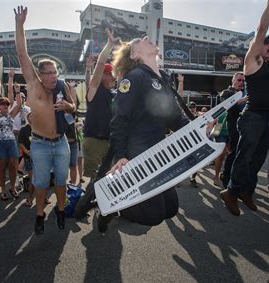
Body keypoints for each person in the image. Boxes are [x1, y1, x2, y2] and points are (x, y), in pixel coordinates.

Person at [101, 35, 190, 233]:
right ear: (135, 54)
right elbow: (119, 120)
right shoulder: (134, 77)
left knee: (171, 210)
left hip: (158, 154)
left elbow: (174, 117)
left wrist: (198, 128)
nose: (147, 38)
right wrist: (122, 155)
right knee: (153, 217)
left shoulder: (164, 78)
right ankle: (117, 206)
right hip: (137, 155)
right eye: (139, 40)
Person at [221, 0, 269, 216]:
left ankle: (247, 191)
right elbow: (262, 28)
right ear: (257, 45)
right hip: (252, 116)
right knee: (245, 156)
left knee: (257, 158)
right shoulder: (252, 60)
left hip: (264, 117)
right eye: (266, 43)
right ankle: (231, 192)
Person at [15, 6, 75, 235]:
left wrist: (70, 106)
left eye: (55, 72)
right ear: (40, 75)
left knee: (61, 181)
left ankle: (60, 210)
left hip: (61, 142)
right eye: (48, 73)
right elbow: (22, 54)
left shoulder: (62, 86)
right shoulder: (33, 85)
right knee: (40, 183)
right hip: (39, 143)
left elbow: (74, 107)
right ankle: (39, 214)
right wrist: (20, 25)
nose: (53, 76)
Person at [83, 28, 117, 180]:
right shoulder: (95, 91)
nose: (114, 78)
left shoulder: (113, 94)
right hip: (95, 142)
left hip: (110, 143)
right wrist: (109, 45)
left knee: (109, 181)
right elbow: (101, 63)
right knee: (95, 183)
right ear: (103, 75)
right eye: (111, 75)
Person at [0, 87, 22, 201]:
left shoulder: (11, 115)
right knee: (1, 168)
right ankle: (3, 189)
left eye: (7, 104)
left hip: (11, 142)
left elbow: (19, 105)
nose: (5, 105)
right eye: (2, 104)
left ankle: (13, 188)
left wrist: (17, 91)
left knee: (13, 166)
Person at [219, 72, 248, 188]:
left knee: (242, 154)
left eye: (243, 81)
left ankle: (235, 179)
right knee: (233, 153)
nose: (241, 82)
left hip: (245, 126)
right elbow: (228, 105)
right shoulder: (226, 92)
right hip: (232, 126)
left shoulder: (245, 92)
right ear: (233, 80)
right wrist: (242, 100)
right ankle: (226, 179)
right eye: (239, 80)